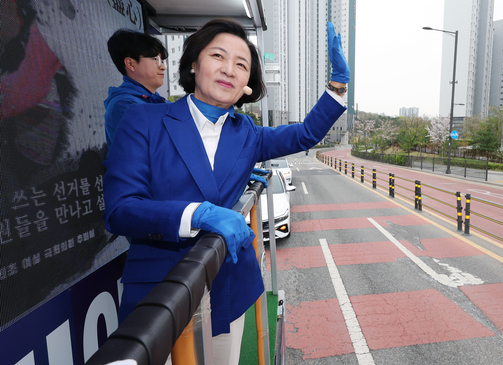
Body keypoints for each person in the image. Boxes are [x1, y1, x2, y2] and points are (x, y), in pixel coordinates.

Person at [102, 18, 350, 365]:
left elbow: (304, 134)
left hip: (229, 286)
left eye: (241, 64)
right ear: (193, 63)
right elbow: (120, 210)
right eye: (218, 55)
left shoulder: (245, 131)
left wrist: (337, 86)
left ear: (248, 84)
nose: (229, 69)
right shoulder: (144, 121)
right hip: (161, 293)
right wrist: (197, 213)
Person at [104, 29, 168, 150]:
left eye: (163, 61)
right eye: (156, 60)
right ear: (130, 64)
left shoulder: (158, 102)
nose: (163, 67)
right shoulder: (125, 105)